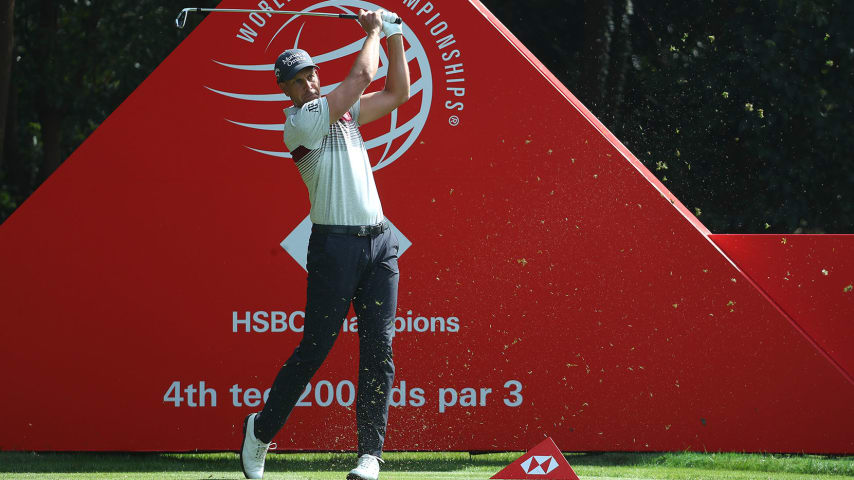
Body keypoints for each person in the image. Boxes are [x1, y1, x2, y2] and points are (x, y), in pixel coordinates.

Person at [239, 9, 410, 480]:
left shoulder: (345, 114)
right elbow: (361, 74)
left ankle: (369, 456)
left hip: (379, 245)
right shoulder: (301, 124)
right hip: (334, 249)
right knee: (316, 347)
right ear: (286, 91)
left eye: (311, 72)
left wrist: (394, 35)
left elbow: (398, 93)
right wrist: (374, 29)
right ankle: (261, 430)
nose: (307, 83)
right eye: (296, 79)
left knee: (379, 350)